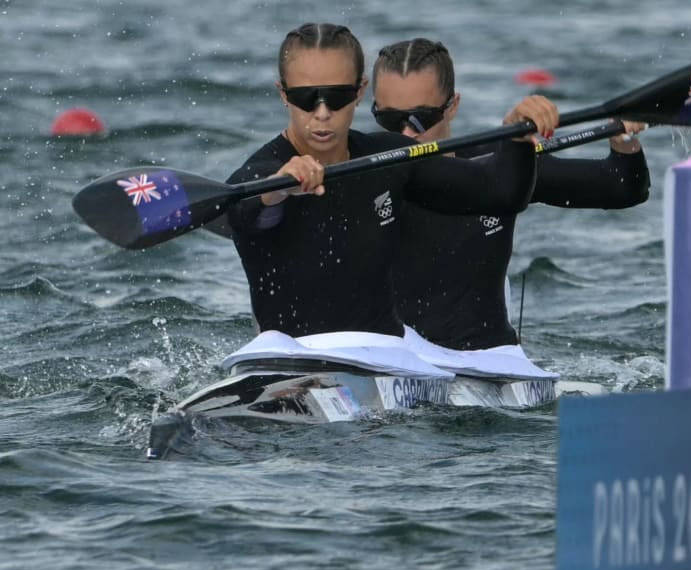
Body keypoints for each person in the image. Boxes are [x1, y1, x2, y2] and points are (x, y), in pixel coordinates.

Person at [223, 23, 558, 359]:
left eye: (337, 96)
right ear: (283, 94)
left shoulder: (388, 156)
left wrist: (516, 138)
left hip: (385, 358)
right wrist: (278, 190)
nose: (322, 113)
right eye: (305, 98)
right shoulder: (263, 172)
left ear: (359, 91)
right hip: (292, 358)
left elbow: (500, 193)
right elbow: (244, 208)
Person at [371, 38, 650, 372]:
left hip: (489, 361)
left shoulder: (497, 169)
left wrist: (624, 138)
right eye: (390, 120)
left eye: (420, 119)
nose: (404, 133)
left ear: (453, 106)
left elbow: (623, 188)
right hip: (395, 362)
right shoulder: (359, 173)